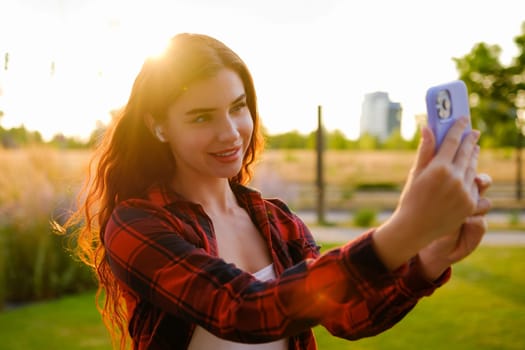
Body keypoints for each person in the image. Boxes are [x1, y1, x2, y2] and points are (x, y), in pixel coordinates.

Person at [66, 33, 492, 350]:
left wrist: (428, 259)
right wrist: (405, 230)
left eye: (238, 107)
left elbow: (344, 315)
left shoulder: (276, 220)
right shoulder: (137, 224)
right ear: (158, 125)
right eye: (201, 117)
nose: (230, 133)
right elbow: (245, 310)